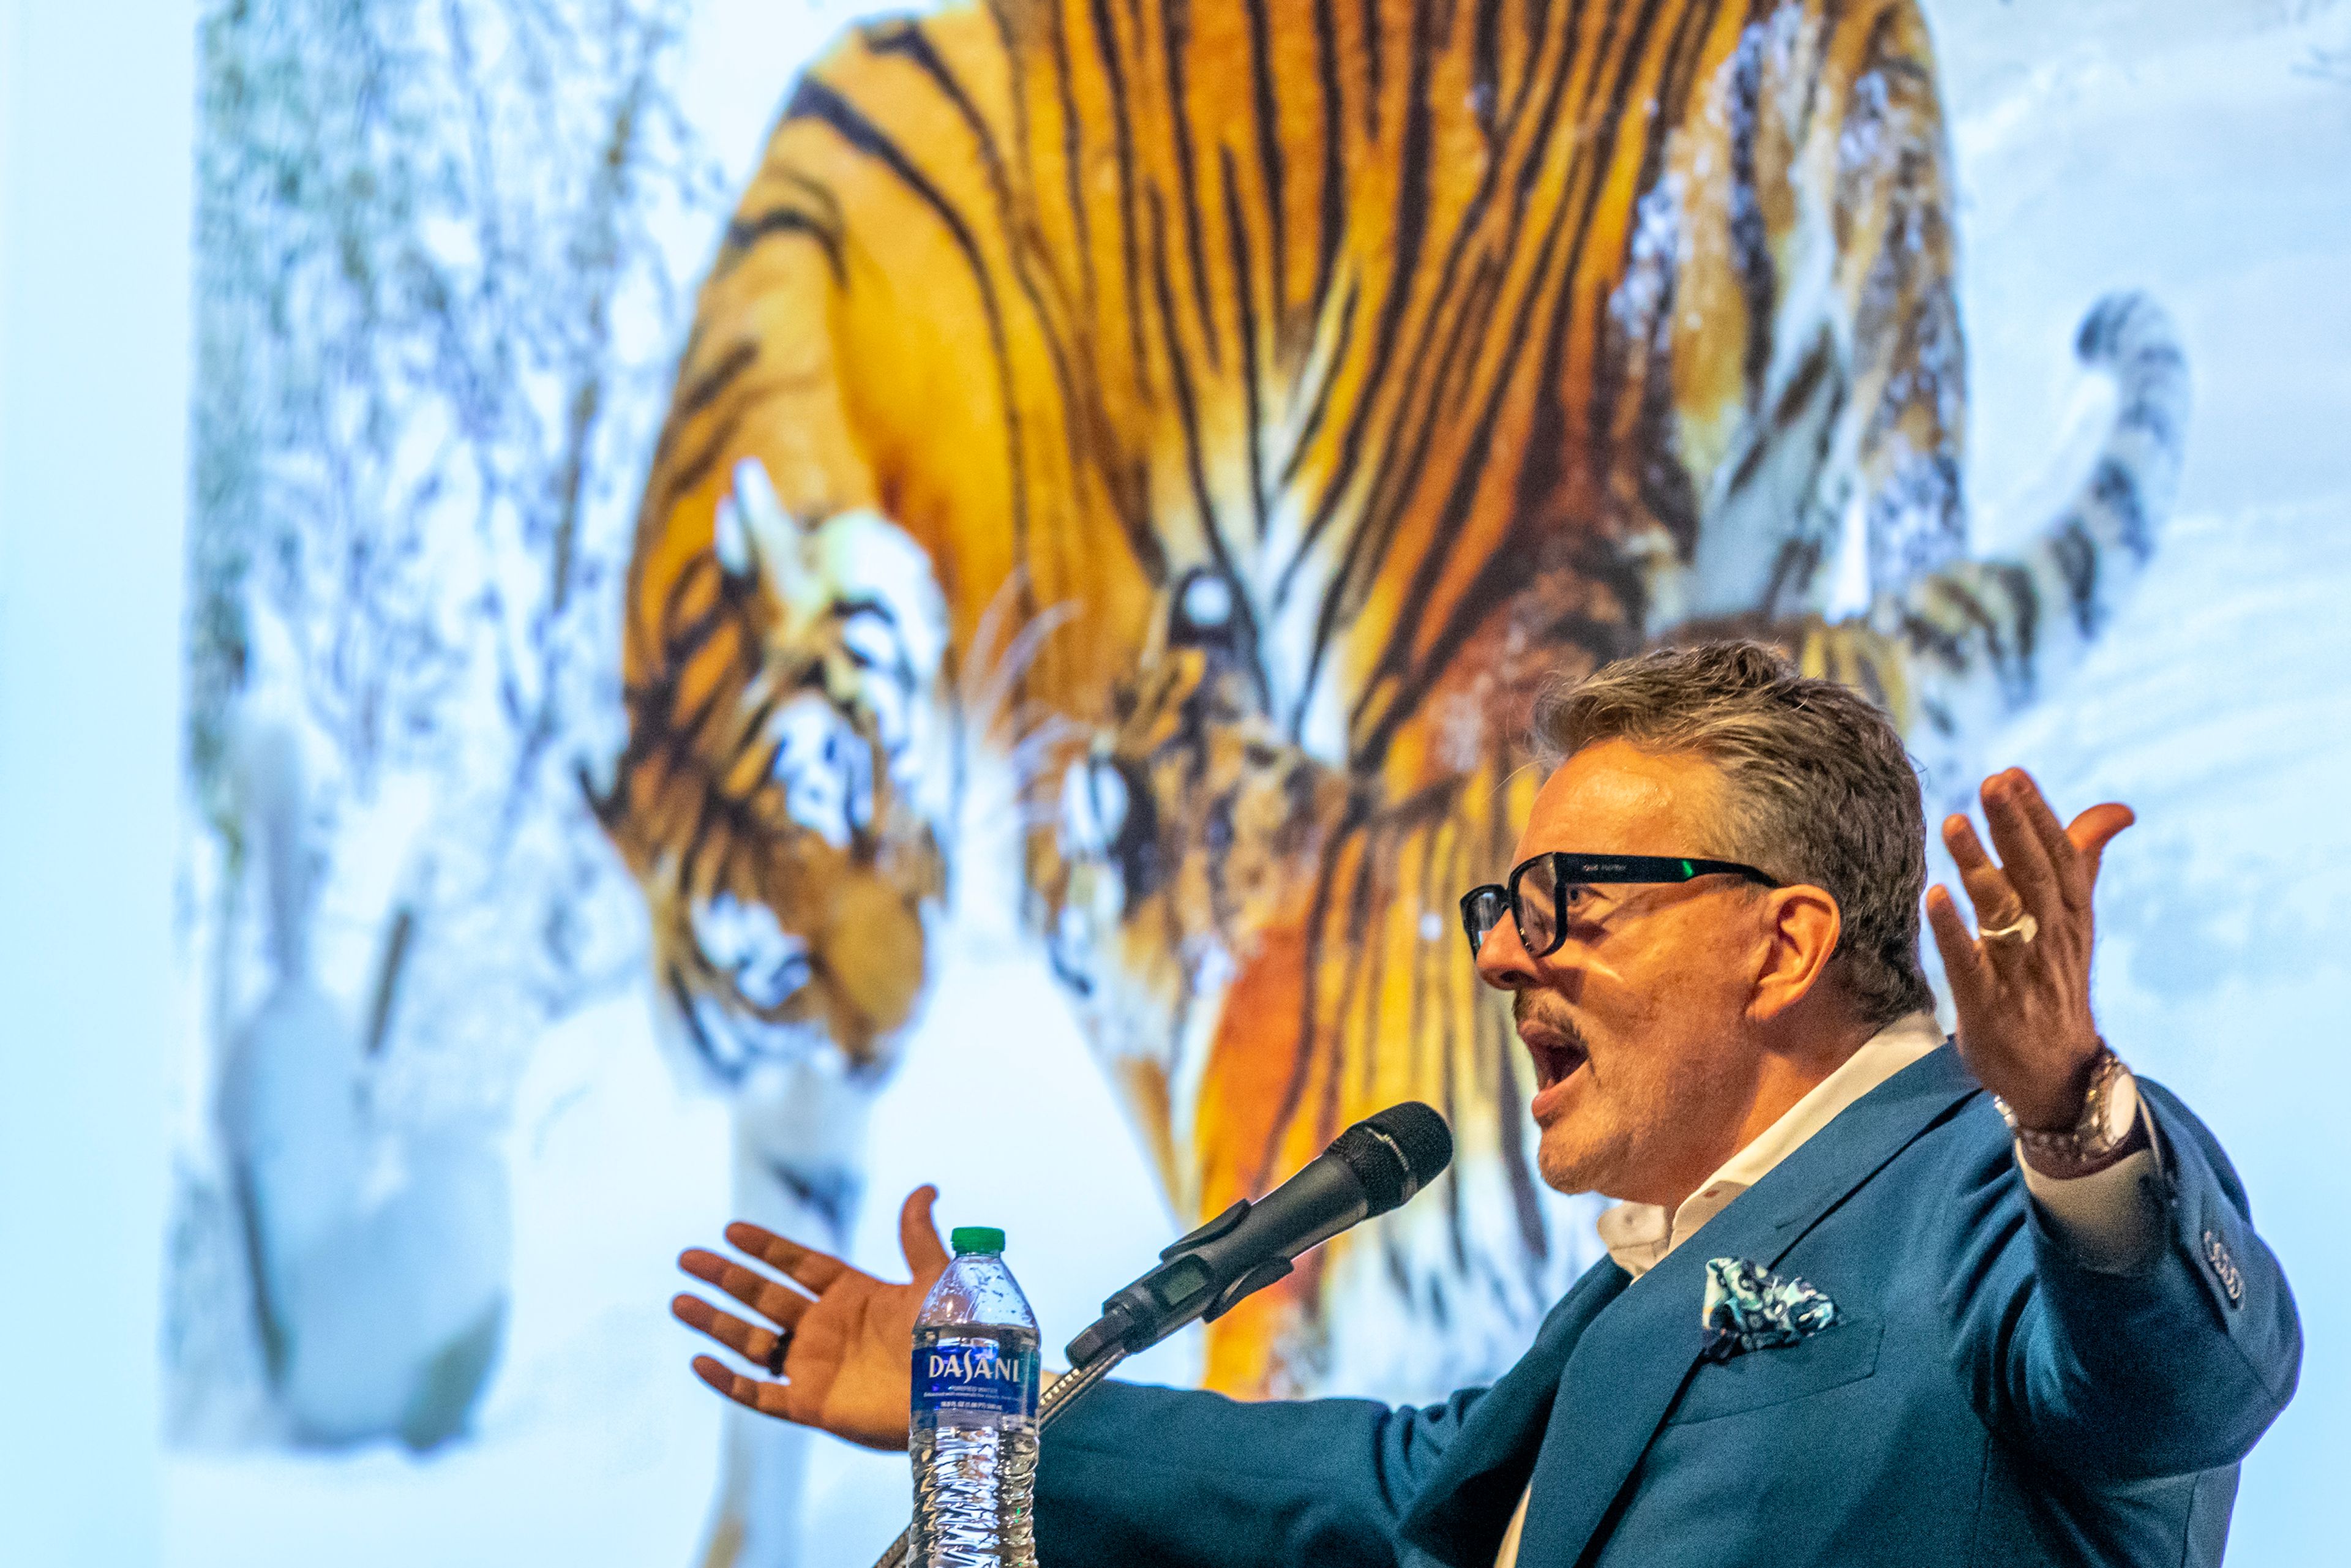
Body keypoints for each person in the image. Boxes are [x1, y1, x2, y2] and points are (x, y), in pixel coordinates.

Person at [670, 640, 2300, 1566]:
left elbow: (2187, 1388)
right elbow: (1383, 1503)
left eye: (1573, 898)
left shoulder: (1989, 1182)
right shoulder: (1623, 1299)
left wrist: (2076, 1116)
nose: (1509, 956)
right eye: (1501, 905)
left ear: (1785, 939)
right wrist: (997, 1405)